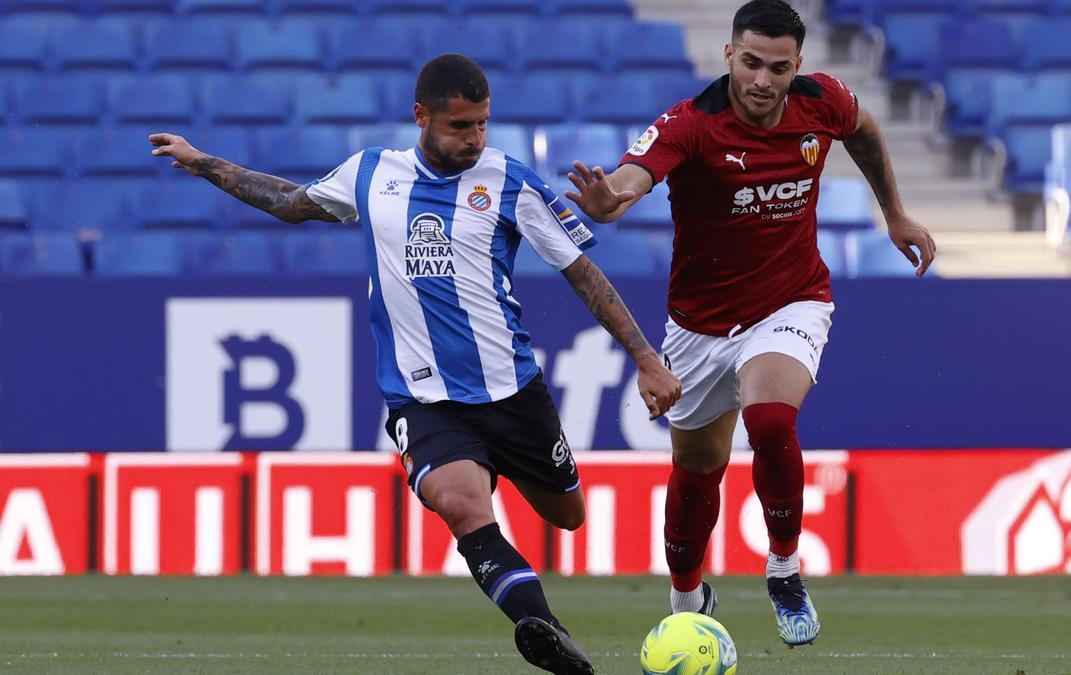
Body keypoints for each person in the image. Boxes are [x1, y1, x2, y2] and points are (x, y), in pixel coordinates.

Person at [149, 54, 680, 674]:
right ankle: (551, 638)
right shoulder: (371, 174)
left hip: (512, 391)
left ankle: (520, 528)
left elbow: (581, 272)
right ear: (421, 116)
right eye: (460, 126)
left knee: (567, 516)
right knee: (462, 505)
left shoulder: (510, 181)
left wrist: (645, 357)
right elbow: (291, 203)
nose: (473, 138)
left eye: (482, 124)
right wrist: (202, 162)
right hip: (422, 399)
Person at [564, 0, 935, 648]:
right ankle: (686, 596)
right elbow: (634, 174)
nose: (763, 80)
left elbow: (866, 131)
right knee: (695, 473)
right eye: (753, 63)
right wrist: (613, 200)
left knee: (769, 419)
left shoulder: (823, 101)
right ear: (730, 54)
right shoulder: (692, 123)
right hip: (700, 326)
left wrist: (894, 214)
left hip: (790, 301)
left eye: (779, 67)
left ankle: (785, 567)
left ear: (799, 66)